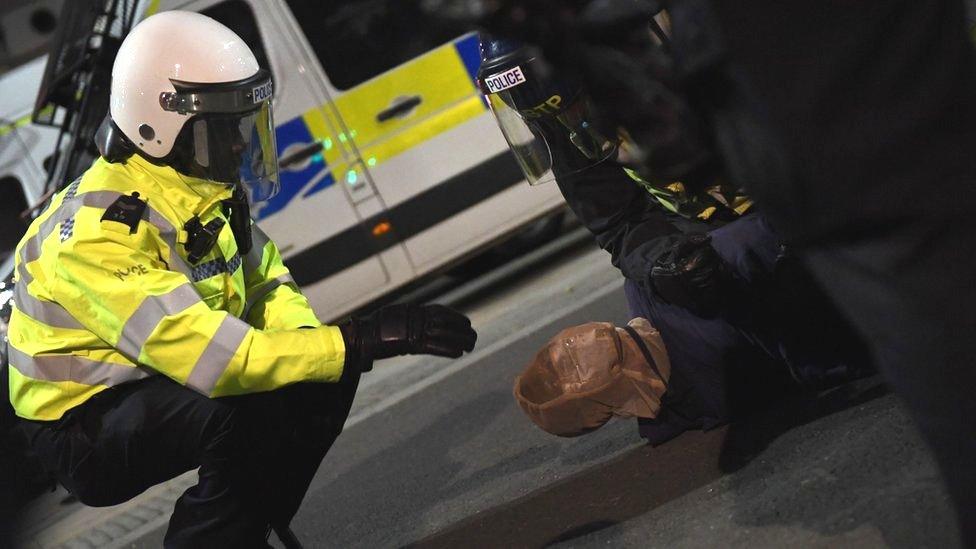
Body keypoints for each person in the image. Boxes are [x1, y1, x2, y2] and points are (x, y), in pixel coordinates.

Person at [6, 11, 477, 547]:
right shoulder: (98, 233)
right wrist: (361, 338)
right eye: (225, 129)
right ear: (159, 125)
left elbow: (268, 284)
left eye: (244, 125)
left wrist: (320, 349)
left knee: (318, 373)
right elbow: (222, 363)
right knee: (244, 407)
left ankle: (243, 528)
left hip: (149, 385)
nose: (238, 145)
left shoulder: (196, 187)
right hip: (82, 424)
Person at [478, 36, 870, 444]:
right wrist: (663, 261)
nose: (575, 119)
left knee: (752, 263)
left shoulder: (684, 44)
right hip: (740, 230)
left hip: (817, 190)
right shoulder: (565, 123)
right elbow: (620, 223)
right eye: (555, 114)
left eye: (575, 103)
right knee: (672, 284)